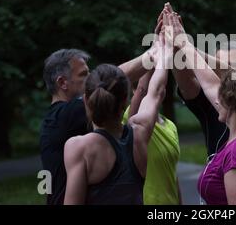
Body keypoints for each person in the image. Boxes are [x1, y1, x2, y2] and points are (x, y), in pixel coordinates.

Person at [167, 3, 236, 203]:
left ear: (231, 101)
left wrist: (185, 43)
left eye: (222, 90)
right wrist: (179, 43)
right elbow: (208, 85)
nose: (216, 95)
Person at [63, 36, 170, 204]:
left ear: (85, 100)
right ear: (126, 101)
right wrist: (163, 52)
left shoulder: (78, 147)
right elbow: (157, 91)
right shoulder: (139, 134)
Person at [40, 48, 153, 205]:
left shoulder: (63, 118)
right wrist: (154, 53)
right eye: (83, 75)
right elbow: (110, 81)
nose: (90, 80)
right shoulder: (65, 115)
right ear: (62, 83)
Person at [123, 70, 181, 205]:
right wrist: (154, 57)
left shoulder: (170, 125)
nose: (155, 89)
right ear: (134, 90)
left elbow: (172, 173)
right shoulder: (132, 118)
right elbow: (142, 90)